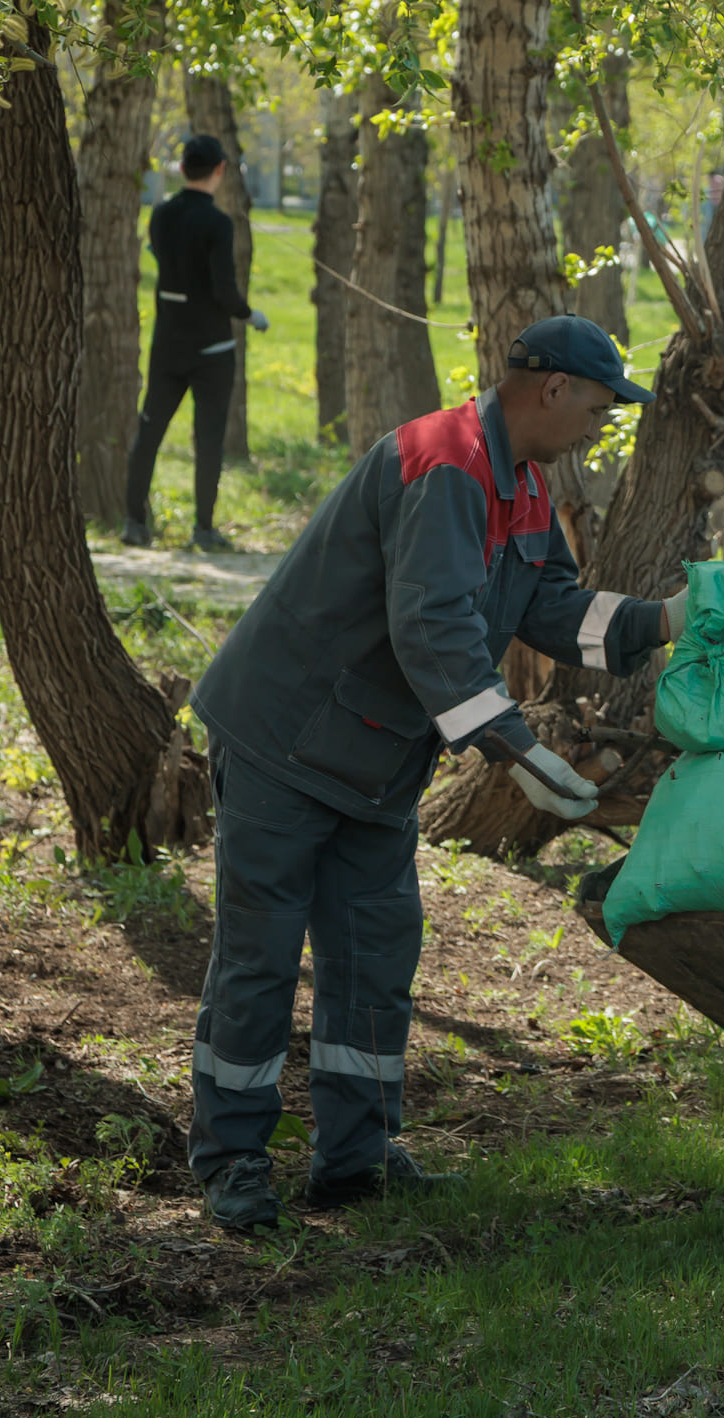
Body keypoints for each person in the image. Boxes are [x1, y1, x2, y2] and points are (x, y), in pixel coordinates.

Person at [184, 316, 687, 1232]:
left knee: (374, 957)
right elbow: (432, 626)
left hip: (374, 762)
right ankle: (232, 1163)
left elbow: (552, 608)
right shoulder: (443, 461)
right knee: (260, 959)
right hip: (283, 742)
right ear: (553, 389)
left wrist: (662, 621)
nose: (599, 425)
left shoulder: (523, 485)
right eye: (598, 406)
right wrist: (518, 749)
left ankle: (357, 1160)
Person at [125, 133, 268, 552]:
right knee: (208, 439)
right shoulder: (218, 224)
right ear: (219, 170)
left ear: (184, 168)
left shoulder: (161, 215)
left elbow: (164, 258)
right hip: (212, 351)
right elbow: (224, 290)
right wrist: (249, 315)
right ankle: (203, 528)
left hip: (168, 345)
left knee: (149, 432)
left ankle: (135, 523)